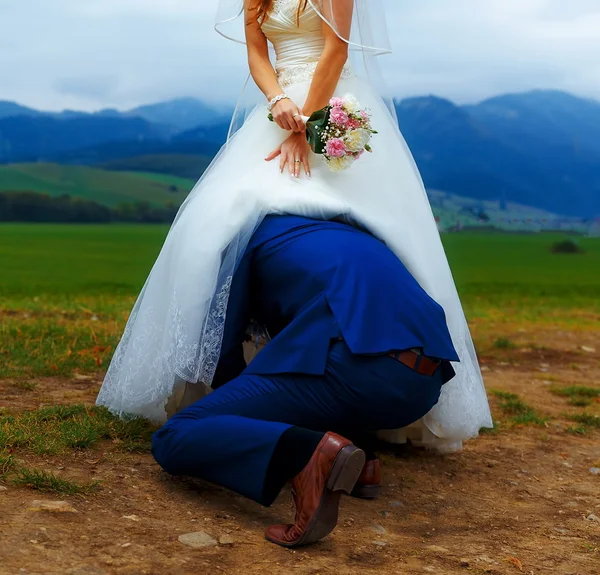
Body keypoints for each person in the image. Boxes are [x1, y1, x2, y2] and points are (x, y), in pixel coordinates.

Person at [97, 0, 492, 527]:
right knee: (379, 240)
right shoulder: (345, 238)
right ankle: (358, 450)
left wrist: (304, 124)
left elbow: (336, 48)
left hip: (324, 101)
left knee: (180, 432)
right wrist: (279, 100)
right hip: (423, 374)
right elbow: (256, 52)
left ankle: (315, 452)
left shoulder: (251, 235)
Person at [152, 214, 460, 547]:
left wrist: (238, 408)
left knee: (174, 436)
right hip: (425, 386)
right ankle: (364, 460)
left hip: (357, 375)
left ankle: (307, 454)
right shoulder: (347, 233)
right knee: (315, 379)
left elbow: (223, 348)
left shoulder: (245, 241)